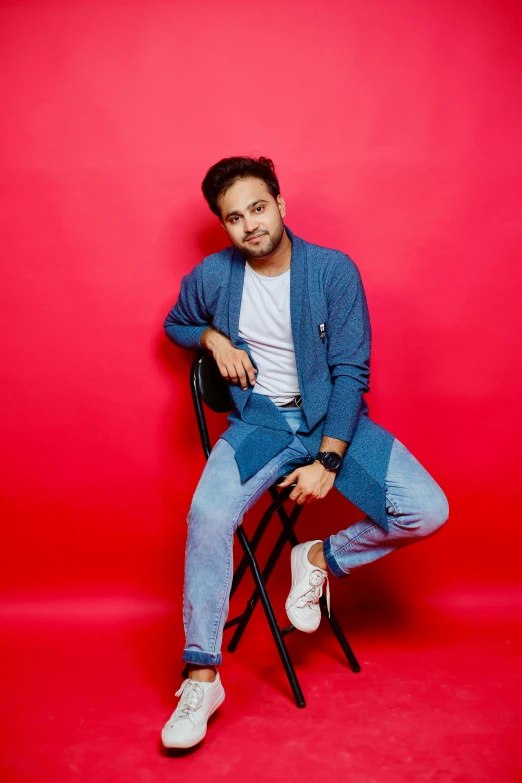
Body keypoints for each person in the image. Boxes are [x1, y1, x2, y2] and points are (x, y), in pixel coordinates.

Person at [161, 156, 449, 749]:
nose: (250, 226)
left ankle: (317, 559)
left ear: (282, 204)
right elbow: (175, 324)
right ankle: (202, 677)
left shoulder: (333, 271)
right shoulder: (213, 277)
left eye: (258, 208)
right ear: (225, 225)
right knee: (208, 515)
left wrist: (329, 461)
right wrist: (211, 337)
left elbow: (350, 372)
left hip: (330, 422)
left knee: (428, 508)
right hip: (260, 425)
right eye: (234, 217)